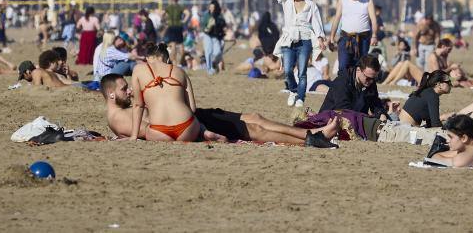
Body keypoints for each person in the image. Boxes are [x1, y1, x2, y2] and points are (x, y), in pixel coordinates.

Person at [100, 73, 338, 146]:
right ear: (111, 94)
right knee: (255, 130)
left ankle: (312, 135)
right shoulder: (119, 117)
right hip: (192, 125)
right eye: (124, 89)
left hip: (192, 117)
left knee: (255, 118)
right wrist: (204, 133)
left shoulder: (124, 110)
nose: (130, 91)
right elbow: (151, 131)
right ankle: (310, 139)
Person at [129, 42, 204, 142]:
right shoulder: (180, 71)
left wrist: (134, 136)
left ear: (147, 59)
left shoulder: (138, 69)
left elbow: (138, 105)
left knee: (146, 128)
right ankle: (204, 132)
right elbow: (192, 108)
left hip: (159, 131)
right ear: (168, 59)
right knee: (199, 124)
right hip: (187, 128)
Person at [400, 71, 473, 134]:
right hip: (414, 131)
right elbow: (435, 126)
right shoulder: (432, 96)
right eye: (448, 82)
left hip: (415, 128)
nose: (451, 84)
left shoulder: (428, 92)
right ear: (439, 84)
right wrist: (449, 120)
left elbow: (431, 122)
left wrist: (446, 117)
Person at [272, 0, 327, 109]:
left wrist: (320, 39)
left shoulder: (310, 5)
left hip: (304, 40)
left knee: (302, 71)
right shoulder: (287, 0)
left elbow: (317, 23)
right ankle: (293, 91)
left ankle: (301, 97)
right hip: (288, 40)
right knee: (287, 70)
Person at [327, 0, 379, 76]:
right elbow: (337, 18)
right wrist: (332, 37)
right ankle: (343, 87)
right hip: (346, 38)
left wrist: (374, 36)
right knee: (343, 66)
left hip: (363, 39)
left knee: (360, 66)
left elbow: (373, 19)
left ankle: (356, 89)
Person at [319, 55, 392, 119]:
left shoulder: (370, 83)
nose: (371, 81)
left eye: (375, 78)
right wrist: (367, 118)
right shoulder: (342, 82)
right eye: (368, 78)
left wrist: (381, 114)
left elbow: (375, 103)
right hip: (330, 122)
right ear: (358, 70)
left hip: (357, 121)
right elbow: (343, 110)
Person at [200, 0, 226, 75]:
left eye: (213, 7)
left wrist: (217, 23)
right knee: (208, 52)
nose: (211, 9)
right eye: (210, 7)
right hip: (207, 35)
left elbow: (223, 25)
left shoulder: (219, 16)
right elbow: (202, 25)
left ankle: (214, 64)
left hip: (216, 36)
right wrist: (207, 27)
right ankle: (209, 69)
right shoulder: (206, 15)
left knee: (217, 52)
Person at [163, 0, 186, 65]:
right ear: (178, 0)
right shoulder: (180, 7)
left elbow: (162, 14)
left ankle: (174, 63)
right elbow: (188, 13)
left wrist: (165, 21)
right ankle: (179, 63)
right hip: (179, 27)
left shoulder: (169, 7)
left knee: (173, 45)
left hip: (171, 27)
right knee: (181, 45)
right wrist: (184, 21)